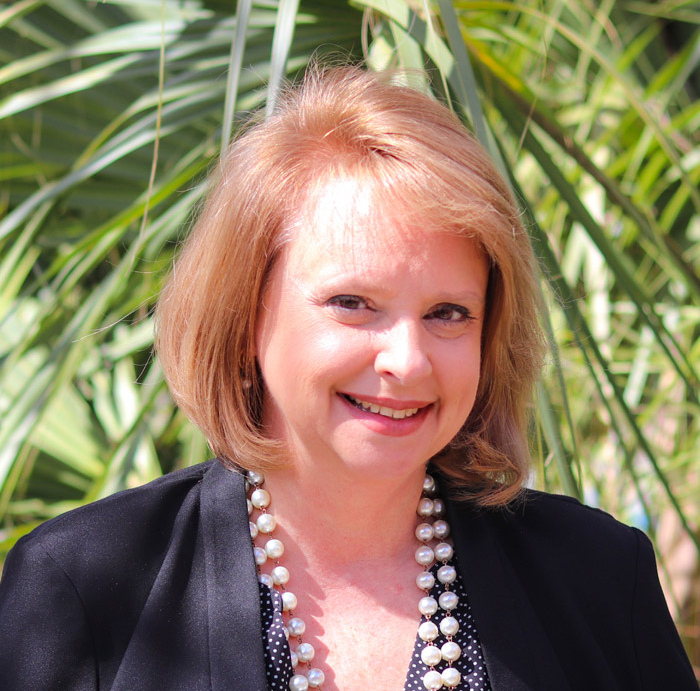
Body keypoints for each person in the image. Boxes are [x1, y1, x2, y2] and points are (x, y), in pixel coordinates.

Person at [0, 65, 696, 691]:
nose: (407, 360)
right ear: (245, 310)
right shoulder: (82, 587)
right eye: (354, 304)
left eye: (448, 313)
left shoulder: (600, 579)